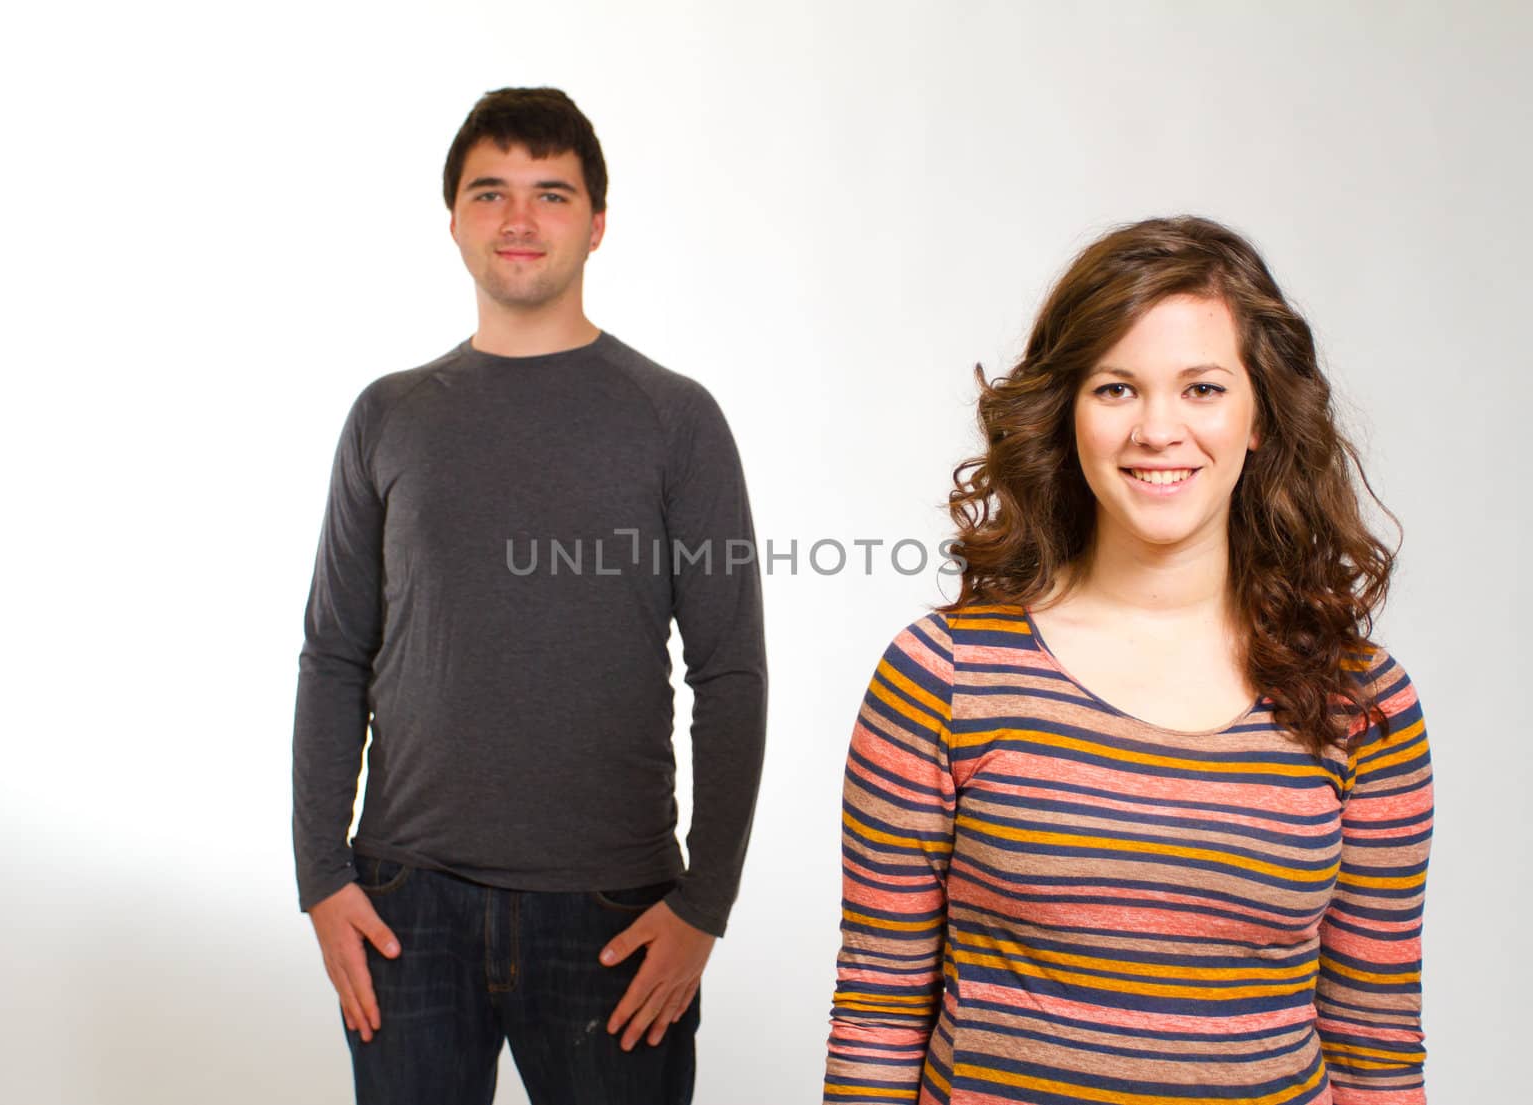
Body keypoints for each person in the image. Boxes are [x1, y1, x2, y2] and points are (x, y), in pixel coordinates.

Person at [825, 216, 1431, 1104]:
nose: (1158, 429)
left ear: (1260, 416)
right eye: (1116, 388)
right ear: (1067, 414)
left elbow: (1375, 1041)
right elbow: (879, 1010)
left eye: (1202, 389)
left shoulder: (1363, 703)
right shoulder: (942, 677)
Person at [293, 87, 766, 1105]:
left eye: (550, 194)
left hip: (612, 911)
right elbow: (334, 652)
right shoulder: (389, 416)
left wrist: (704, 904)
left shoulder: (675, 419)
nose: (518, 221)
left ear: (597, 224)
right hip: (405, 901)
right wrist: (321, 878)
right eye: (489, 193)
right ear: (454, 221)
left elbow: (728, 671)